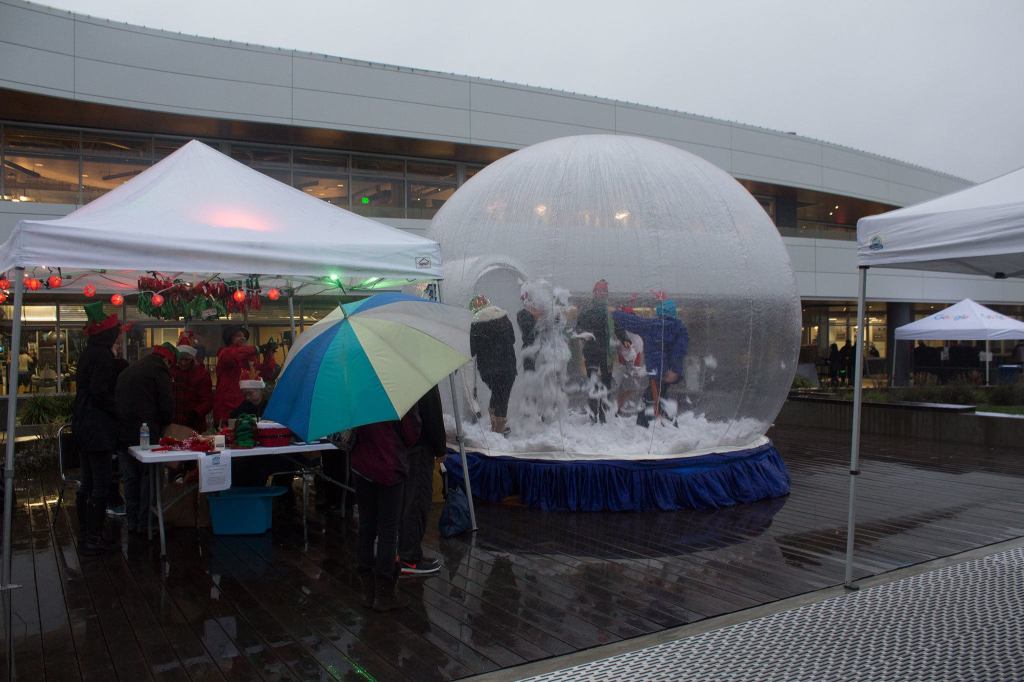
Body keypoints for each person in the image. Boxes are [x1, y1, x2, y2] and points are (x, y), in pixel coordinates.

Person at [351, 408, 421, 612]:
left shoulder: (354, 390)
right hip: (389, 467)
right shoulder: (397, 395)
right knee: (388, 530)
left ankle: (367, 591)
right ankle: (384, 592)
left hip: (361, 466)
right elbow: (411, 434)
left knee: (366, 526)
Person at [71, 302, 122, 555]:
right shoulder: (103, 356)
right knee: (100, 484)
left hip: (82, 421)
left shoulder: (87, 353)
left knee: (87, 482)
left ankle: (85, 533)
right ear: (108, 334)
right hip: (97, 426)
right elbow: (100, 391)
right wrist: (117, 410)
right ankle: (94, 537)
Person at [115, 342, 176, 534]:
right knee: (149, 477)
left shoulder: (130, 370)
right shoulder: (159, 371)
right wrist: (166, 423)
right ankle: (147, 522)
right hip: (145, 434)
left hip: (122, 433)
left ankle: (132, 521)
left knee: (130, 479)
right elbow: (167, 405)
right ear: (167, 360)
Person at [613, 298, 689, 426]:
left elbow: (633, 322)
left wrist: (616, 314)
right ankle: (656, 423)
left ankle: (653, 423)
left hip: (655, 370)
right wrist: (675, 369)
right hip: (668, 371)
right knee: (656, 395)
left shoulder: (652, 325)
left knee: (654, 397)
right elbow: (679, 350)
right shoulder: (679, 328)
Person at [399, 385, 446, 576]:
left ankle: (404, 551)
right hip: (419, 446)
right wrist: (440, 447)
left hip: (401, 445)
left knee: (404, 500)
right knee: (416, 500)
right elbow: (432, 412)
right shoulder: (422, 373)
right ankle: (409, 557)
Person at [468, 295, 517, 435]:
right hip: (507, 365)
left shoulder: (476, 325)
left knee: (497, 392)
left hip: (487, 369)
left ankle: (496, 424)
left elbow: (473, 349)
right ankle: (498, 428)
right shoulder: (503, 318)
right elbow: (512, 339)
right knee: (503, 395)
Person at [576, 280, 622, 423]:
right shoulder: (587, 309)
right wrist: (585, 334)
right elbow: (578, 328)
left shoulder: (610, 312)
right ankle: (593, 414)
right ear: (594, 293)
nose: (601, 294)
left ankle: (602, 412)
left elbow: (618, 329)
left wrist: (625, 339)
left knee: (606, 383)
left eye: (604, 292)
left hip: (606, 353)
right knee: (593, 382)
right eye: (599, 291)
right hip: (592, 352)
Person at [212, 325, 258, 424]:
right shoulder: (225, 353)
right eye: (238, 335)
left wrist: (269, 355)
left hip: (242, 403)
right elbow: (233, 355)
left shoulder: (245, 355)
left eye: (244, 336)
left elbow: (261, 370)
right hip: (226, 407)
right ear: (229, 338)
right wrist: (256, 349)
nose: (243, 338)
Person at [170, 331, 213, 434]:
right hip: (173, 422)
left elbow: (207, 400)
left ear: (192, 358)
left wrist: (196, 413)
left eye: (187, 360)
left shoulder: (201, 374)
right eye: (180, 360)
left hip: (195, 423)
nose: (183, 363)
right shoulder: (170, 371)